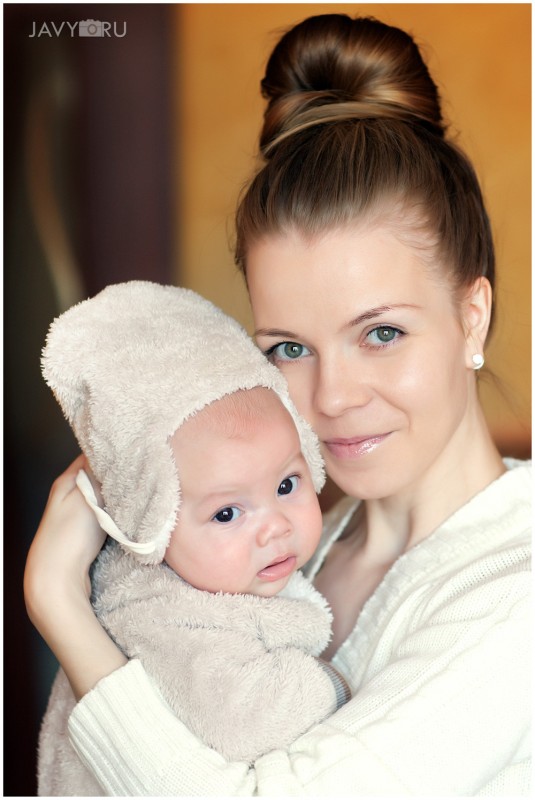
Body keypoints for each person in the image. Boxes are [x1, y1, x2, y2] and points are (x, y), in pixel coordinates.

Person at [25, 13, 531, 796]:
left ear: (471, 317)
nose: (332, 398)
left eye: (381, 334)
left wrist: (59, 605)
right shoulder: (297, 537)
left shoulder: (514, 590)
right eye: (289, 349)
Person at [35, 280, 351, 795]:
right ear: (153, 526)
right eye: (227, 513)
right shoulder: (162, 614)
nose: (275, 526)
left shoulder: (210, 576)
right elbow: (252, 721)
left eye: (286, 485)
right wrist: (335, 686)